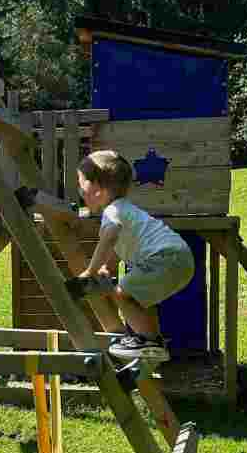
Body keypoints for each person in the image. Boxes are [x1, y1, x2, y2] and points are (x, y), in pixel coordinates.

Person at [76, 149, 195, 360]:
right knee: (139, 299)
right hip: (178, 258)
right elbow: (121, 244)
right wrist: (108, 267)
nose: (79, 190)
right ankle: (152, 342)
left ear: (98, 190)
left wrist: (91, 271)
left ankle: (147, 340)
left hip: (165, 257)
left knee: (123, 293)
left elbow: (110, 238)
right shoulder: (124, 209)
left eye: (82, 182)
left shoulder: (112, 212)